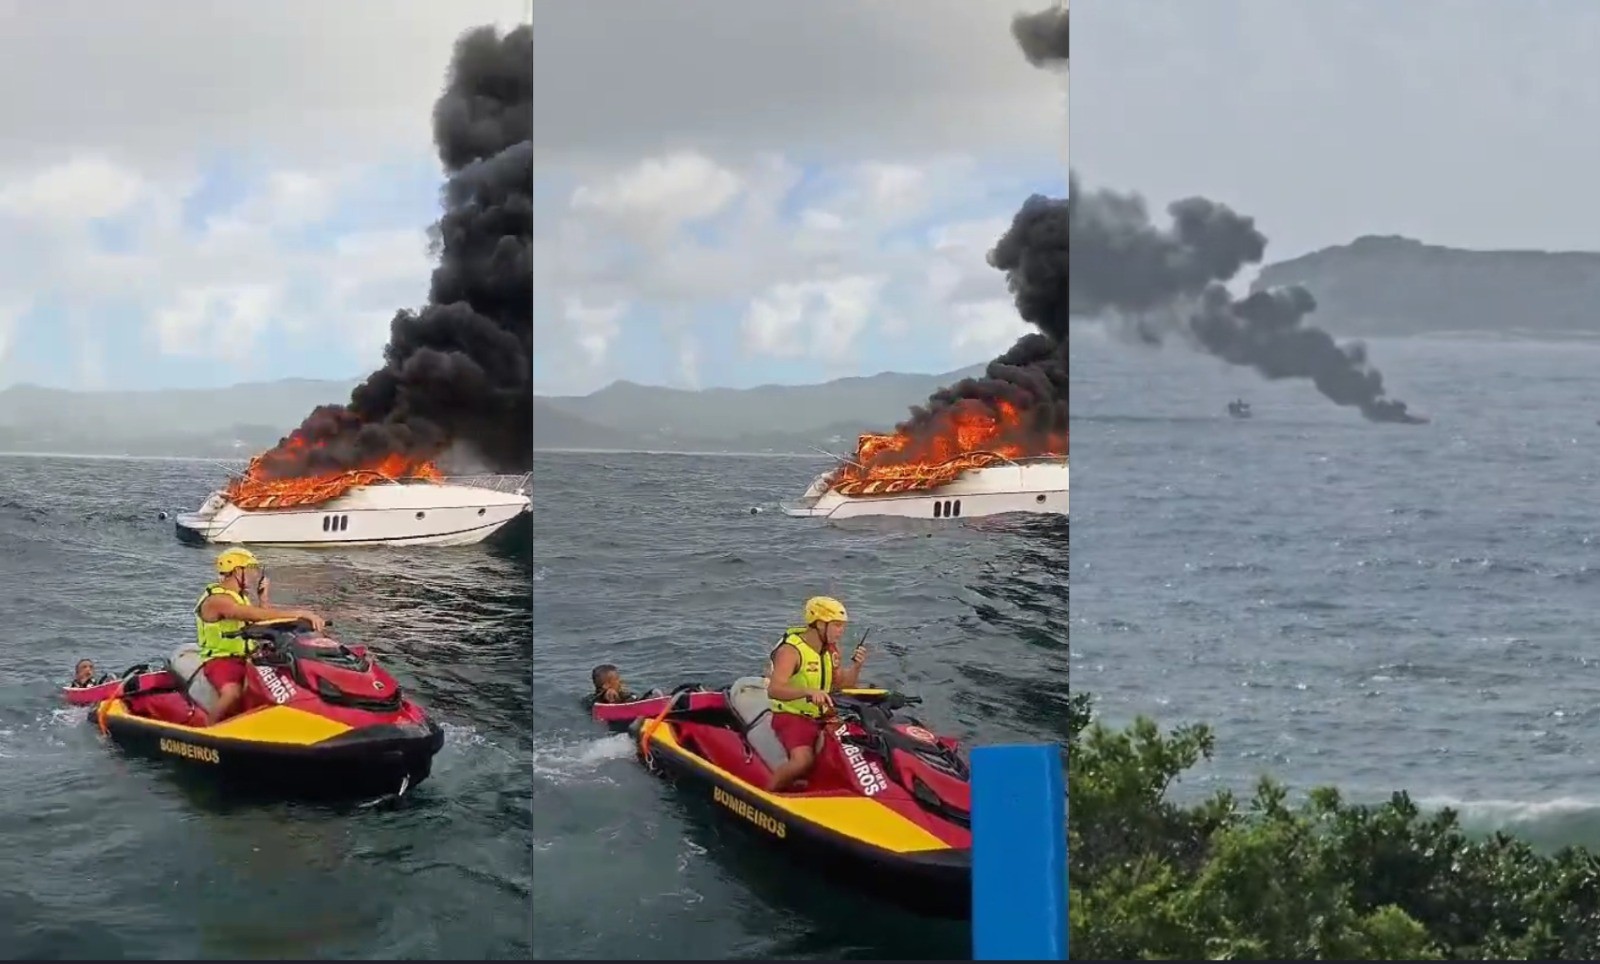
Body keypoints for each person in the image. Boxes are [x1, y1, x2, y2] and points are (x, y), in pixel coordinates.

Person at [195, 547, 326, 722]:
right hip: (221, 660)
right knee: (233, 692)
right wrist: (300, 613)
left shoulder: (239, 596)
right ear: (237, 571)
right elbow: (254, 615)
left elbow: (265, 622)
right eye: (250, 570)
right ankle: (209, 728)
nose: (255, 575)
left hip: (248, 657)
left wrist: (264, 599)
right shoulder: (218, 600)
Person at [764, 595, 870, 791]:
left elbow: (841, 685)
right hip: (791, 715)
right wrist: (808, 691)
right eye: (837, 625)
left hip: (824, 715)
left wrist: (856, 666)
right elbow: (774, 689)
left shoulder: (831, 651)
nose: (841, 631)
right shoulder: (791, 651)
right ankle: (768, 794)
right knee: (802, 761)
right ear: (820, 624)